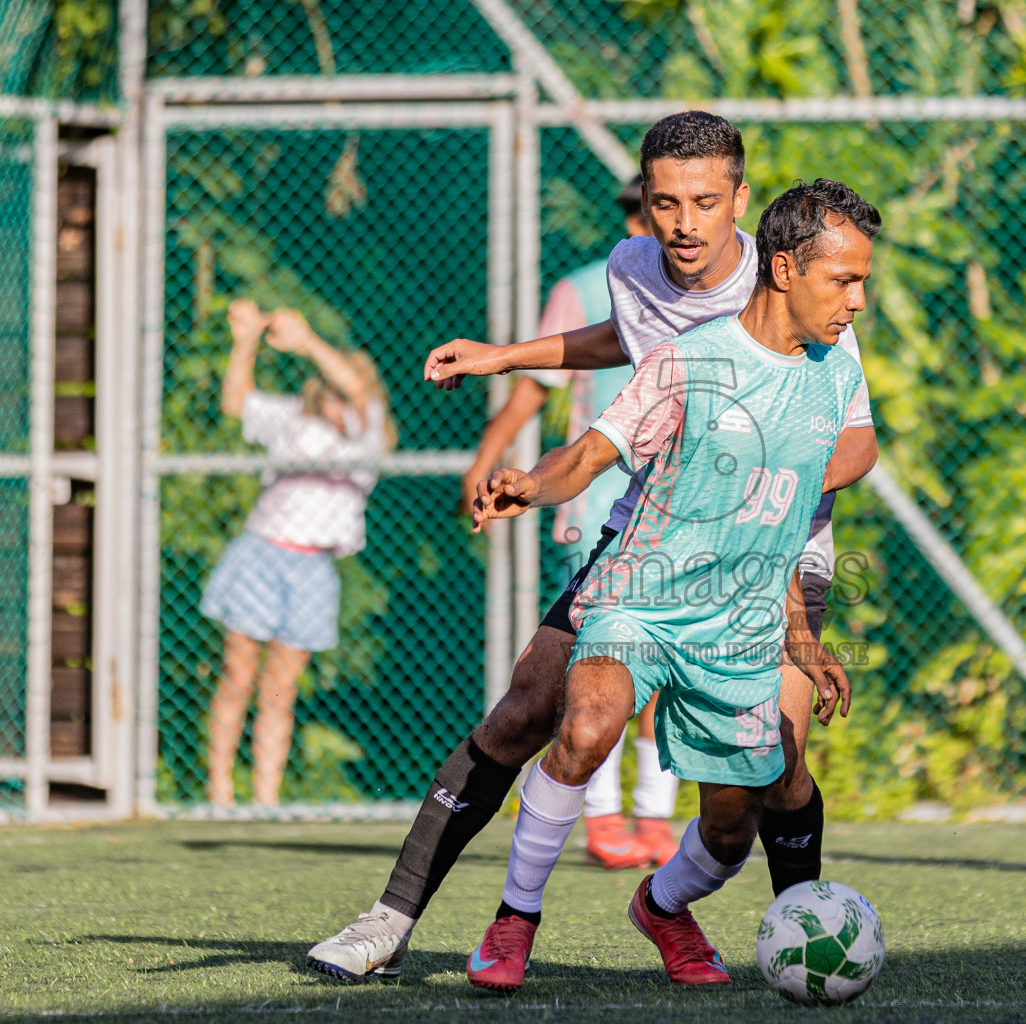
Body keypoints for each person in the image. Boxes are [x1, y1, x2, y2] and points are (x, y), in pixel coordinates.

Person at [306, 111, 877, 984]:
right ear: (643, 204)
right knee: (530, 710)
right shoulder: (635, 267)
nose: (683, 223)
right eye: (664, 203)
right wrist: (509, 359)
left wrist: (751, 481)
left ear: (741, 203)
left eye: (705, 203)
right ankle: (390, 921)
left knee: (774, 775)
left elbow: (851, 438)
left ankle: (766, 924)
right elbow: (635, 343)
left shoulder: (807, 286)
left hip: (778, 551)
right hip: (652, 545)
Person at [465, 178, 875, 992]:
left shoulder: (832, 378)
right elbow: (589, 452)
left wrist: (799, 633)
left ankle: (663, 906)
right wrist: (532, 486)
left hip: (743, 615)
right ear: (787, 271)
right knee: (584, 730)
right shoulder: (689, 360)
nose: (858, 300)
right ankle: (514, 920)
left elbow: (790, 521)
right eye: (845, 280)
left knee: (732, 825)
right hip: (641, 593)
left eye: (861, 280)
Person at [463, 176, 683, 871]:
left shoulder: (715, 291)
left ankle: (654, 811)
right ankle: (603, 816)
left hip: (679, 500)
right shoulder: (591, 284)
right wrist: (489, 459)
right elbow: (539, 384)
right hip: (594, 501)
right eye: (646, 207)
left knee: (666, 668)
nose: (657, 222)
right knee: (603, 667)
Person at [202, 301, 396, 808]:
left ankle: (265, 797)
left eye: (345, 390)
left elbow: (357, 392)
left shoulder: (368, 430)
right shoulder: (296, 421)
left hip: (312, 569)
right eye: (328, 390)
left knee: (279, 690)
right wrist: (245, 339)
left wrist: (308, 340)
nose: (338, 400)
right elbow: (236, 402)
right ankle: (220, 790)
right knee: (238, 676)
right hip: (261, 553)